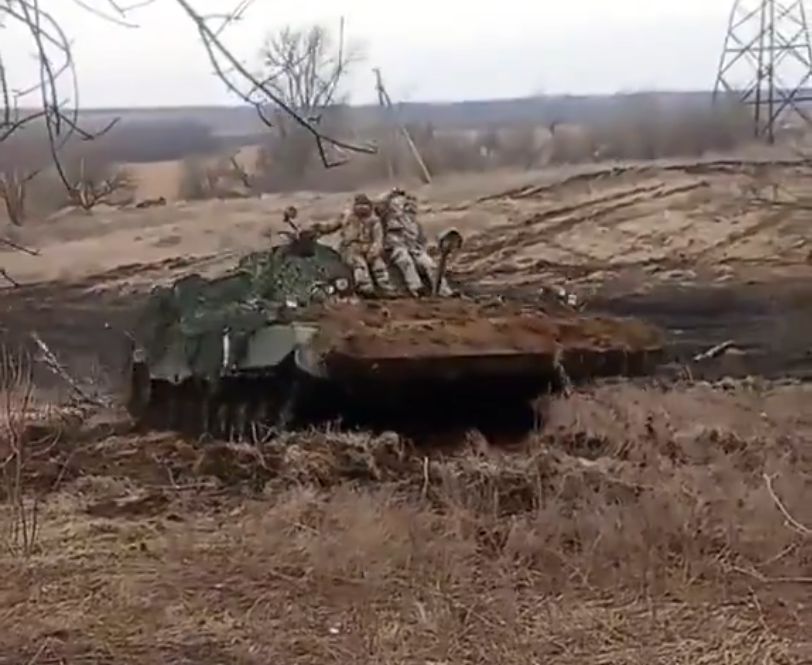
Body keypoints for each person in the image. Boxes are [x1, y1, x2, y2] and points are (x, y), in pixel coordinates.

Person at [310, 193, 394, 296]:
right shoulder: (346, 217)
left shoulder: (374, 221)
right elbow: (331, 226)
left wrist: (374, 251)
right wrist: (318, 228)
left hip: (368, 247)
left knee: (379, 266)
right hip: (350, 248)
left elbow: (378, 239)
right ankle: (366, 289)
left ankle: (386, 289)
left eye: (364, 205)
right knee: (359, 265)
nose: (362, 208)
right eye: (359, 205)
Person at [379, 189, 453, 297]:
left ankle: (444, 291)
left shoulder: (416, 224)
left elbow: (422, 240)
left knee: (429, 264)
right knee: (405, 260)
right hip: (395, 248)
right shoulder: (388, 218)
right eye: (405, 204)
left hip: (414, 249)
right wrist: (392, 193)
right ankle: (416, 288)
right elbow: (380, 203)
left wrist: (423, 250)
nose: (409, 207)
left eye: (412, 205)